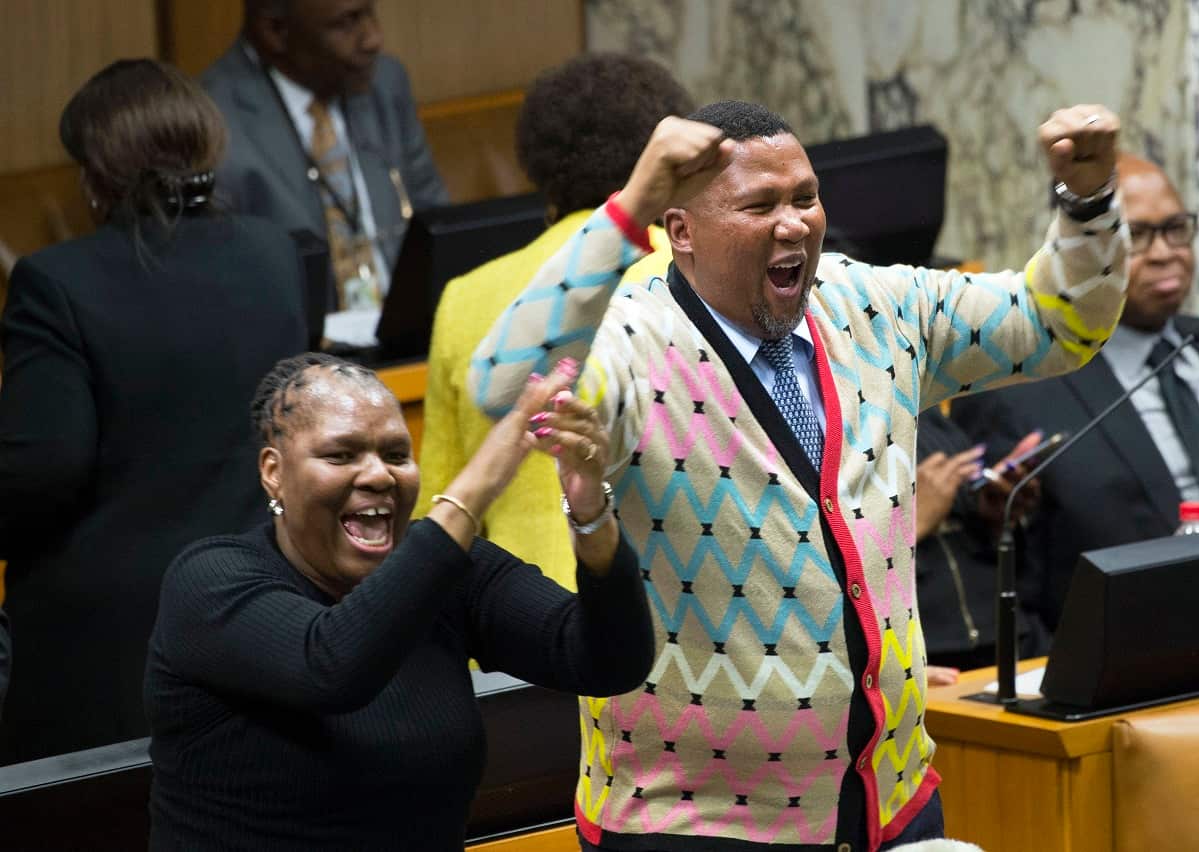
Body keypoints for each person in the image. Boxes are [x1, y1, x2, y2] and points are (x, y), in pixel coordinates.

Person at [469, 101, 1128, 851]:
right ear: (680, 230)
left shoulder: (870, 305)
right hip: (693, 828)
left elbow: (1056, 323)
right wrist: (631, 203)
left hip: (890, 808)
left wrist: (1087, 203)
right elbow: (504, 384)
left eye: (805, 198)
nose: (794, 225)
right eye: (760, 205)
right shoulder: (633, 342)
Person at [145, 353, 652, 850]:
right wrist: (479, 485)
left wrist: (591, 512)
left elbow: (609, 660)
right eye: (341, 455)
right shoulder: (209, 581)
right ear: (273, 471)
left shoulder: (454, 573)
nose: (379, 476)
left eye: (395, 455)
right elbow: (330, 667)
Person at [0, 59, 307, 763]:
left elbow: (43, 468)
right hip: (262, 609)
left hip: (106, 654)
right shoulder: (274, 253)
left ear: (94, 176)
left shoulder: (55, 282)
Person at [952, 152, 1199, 630]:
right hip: (1172, 623)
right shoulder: (1019, 387)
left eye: (1175, 228)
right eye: (1137, 235)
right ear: (1084, 252)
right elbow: (1002, 567)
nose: (1164, 252)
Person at [414, 53, 692, 591]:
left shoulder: (464, 297)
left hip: (517, 616)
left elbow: (437, 506)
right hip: (663, 607)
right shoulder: (689, 268)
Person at [203, 0, 448, 347]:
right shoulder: (210, 122)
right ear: (275, 31)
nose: (373, 38)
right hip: (298, 357)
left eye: (370, 12)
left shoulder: (386, 82)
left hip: (410, 342)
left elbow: (436, 222)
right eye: (347, 22)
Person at [913, 409, 1049, 676]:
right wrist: (909, 524)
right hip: (927, 656)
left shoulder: (929, 415)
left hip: (1011, 635)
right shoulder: (838, 433)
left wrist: (995, 513)